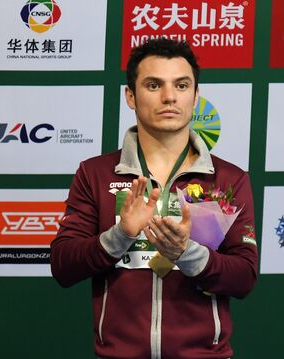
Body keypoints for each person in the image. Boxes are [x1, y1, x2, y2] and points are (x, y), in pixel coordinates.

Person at [50, 38, 258, 359]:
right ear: (130, 96)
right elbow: (63, 266)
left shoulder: (227, 180)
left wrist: (188, 254)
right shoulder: (96, 174)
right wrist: (119, 237)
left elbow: (244, 277)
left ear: (195, 95)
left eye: (182, 85)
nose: (169, 96)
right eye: (153, 85)